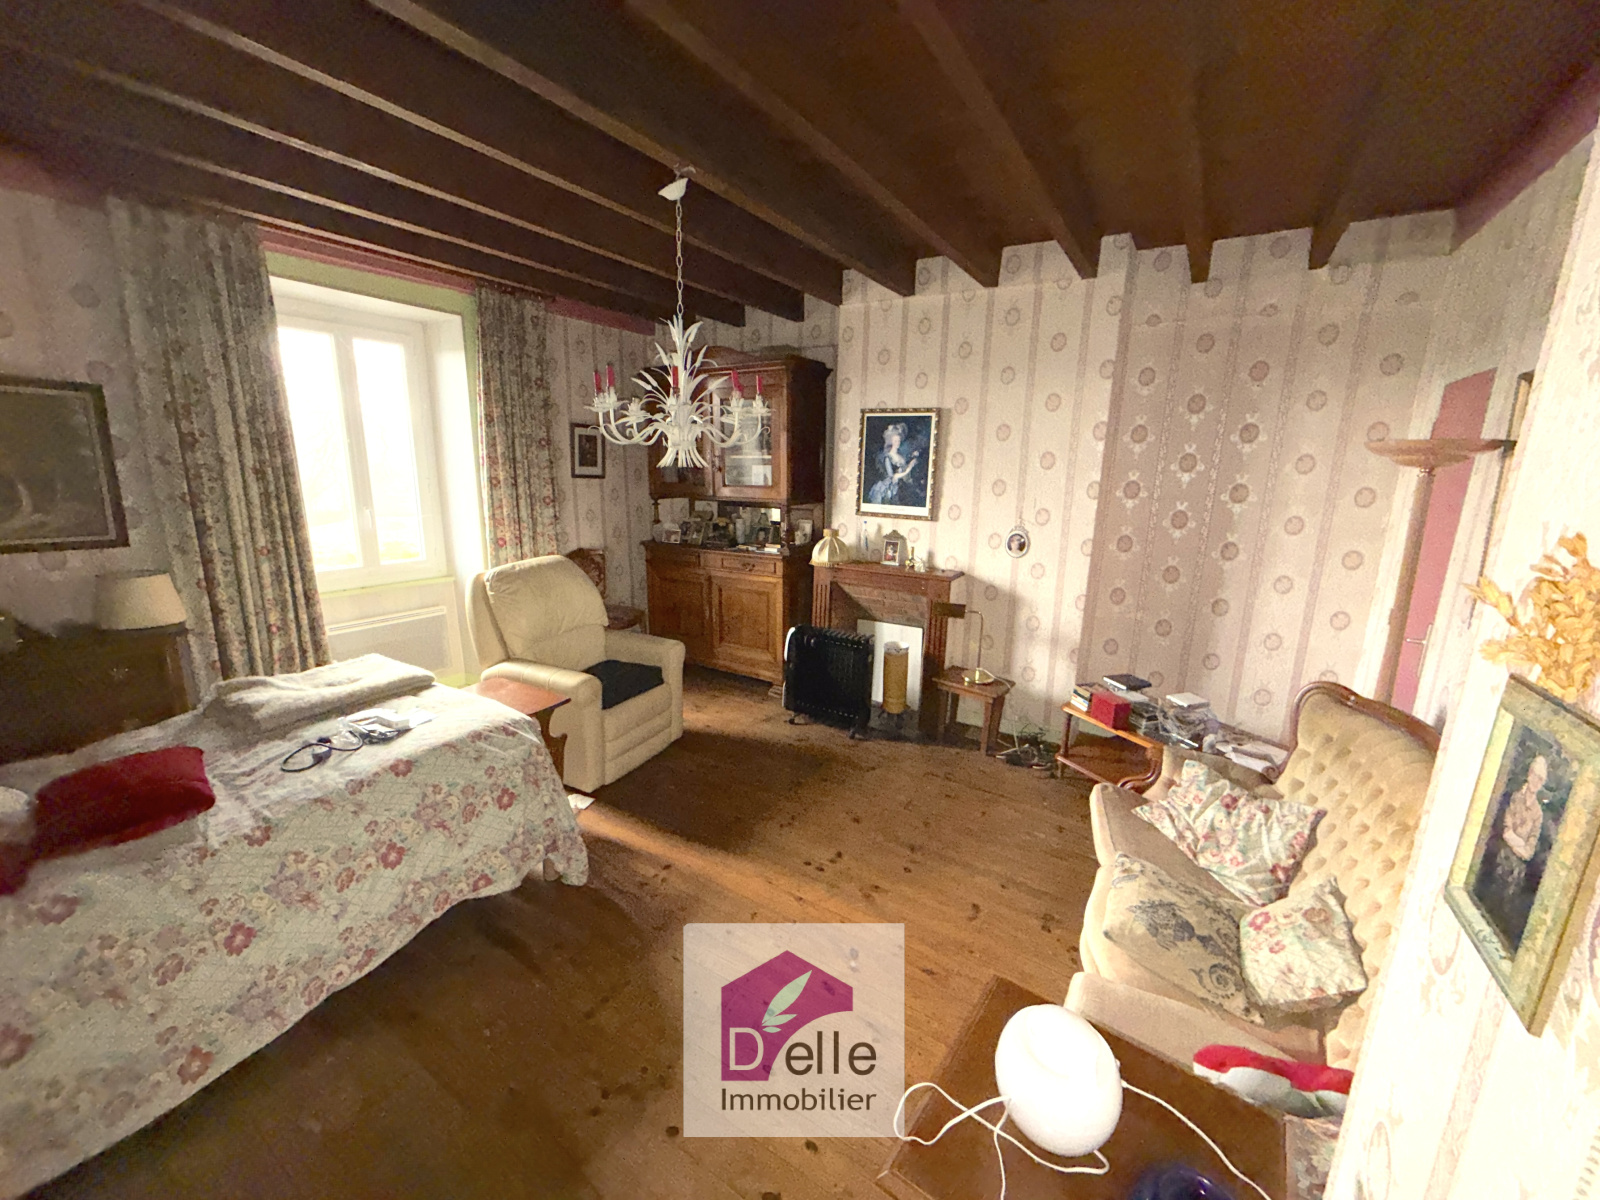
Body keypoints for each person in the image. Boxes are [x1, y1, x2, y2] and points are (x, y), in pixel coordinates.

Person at [867, 422, 920, 505]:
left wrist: (912, 459)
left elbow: (904, 472)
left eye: (899, 440)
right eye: (895, 441)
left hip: (903, 486)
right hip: (891, 488)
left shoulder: (901, 456)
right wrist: (909, 468)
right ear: (891, 441)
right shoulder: (888, 457)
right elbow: (892, 476)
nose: (897, 443)